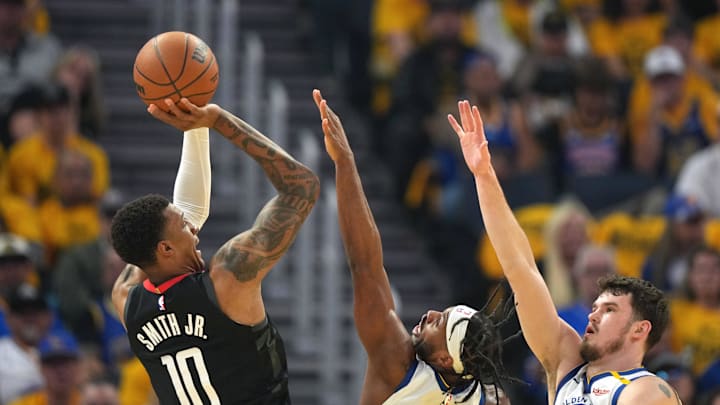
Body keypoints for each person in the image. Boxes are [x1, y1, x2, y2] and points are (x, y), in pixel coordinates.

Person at [447, 99, 680, 404]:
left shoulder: (649, 390)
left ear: (639, 329)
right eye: (596, 306)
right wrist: (484, 175)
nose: (593, 315)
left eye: (609, 310)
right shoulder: (566, 362)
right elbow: (520, 269)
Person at [110, 98, 320, 404]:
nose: (194, 229)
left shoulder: (127, 301)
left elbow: (182, 217)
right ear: (165, 248)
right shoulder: (227, 279)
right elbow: (302, 188)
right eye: (185, 227)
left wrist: (196, 130)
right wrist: (218, 120)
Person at [313, 89, 511, 404]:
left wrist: (345, 162)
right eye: (441, 313)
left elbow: (365, 265)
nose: (430, 313)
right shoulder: (491, 398)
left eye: (439, 323)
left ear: (446, 360)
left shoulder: (397, 362)